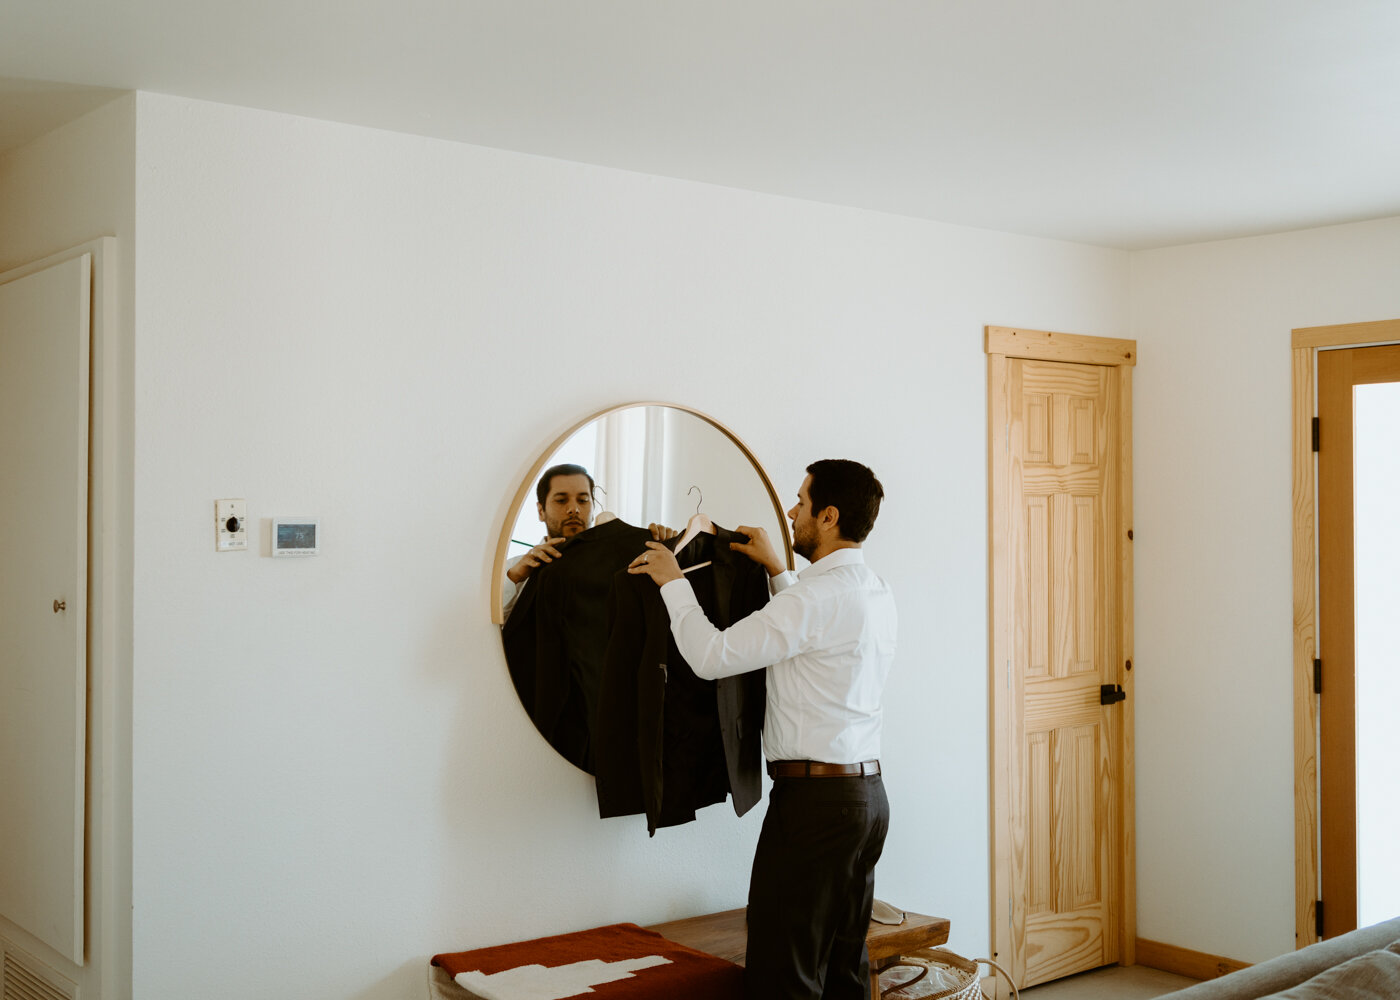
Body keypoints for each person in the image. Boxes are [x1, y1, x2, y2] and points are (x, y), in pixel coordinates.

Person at [627, 459, 897, 1000]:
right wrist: (779, 570)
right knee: (843, 969)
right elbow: (808, 635)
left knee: (784, 973)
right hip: (866, 801)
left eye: (800, 502)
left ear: (828, 515)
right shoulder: (873, 589)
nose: (791, 512)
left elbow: (711, 656)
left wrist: (674, 584)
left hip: (814, 809)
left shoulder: (811, 599)